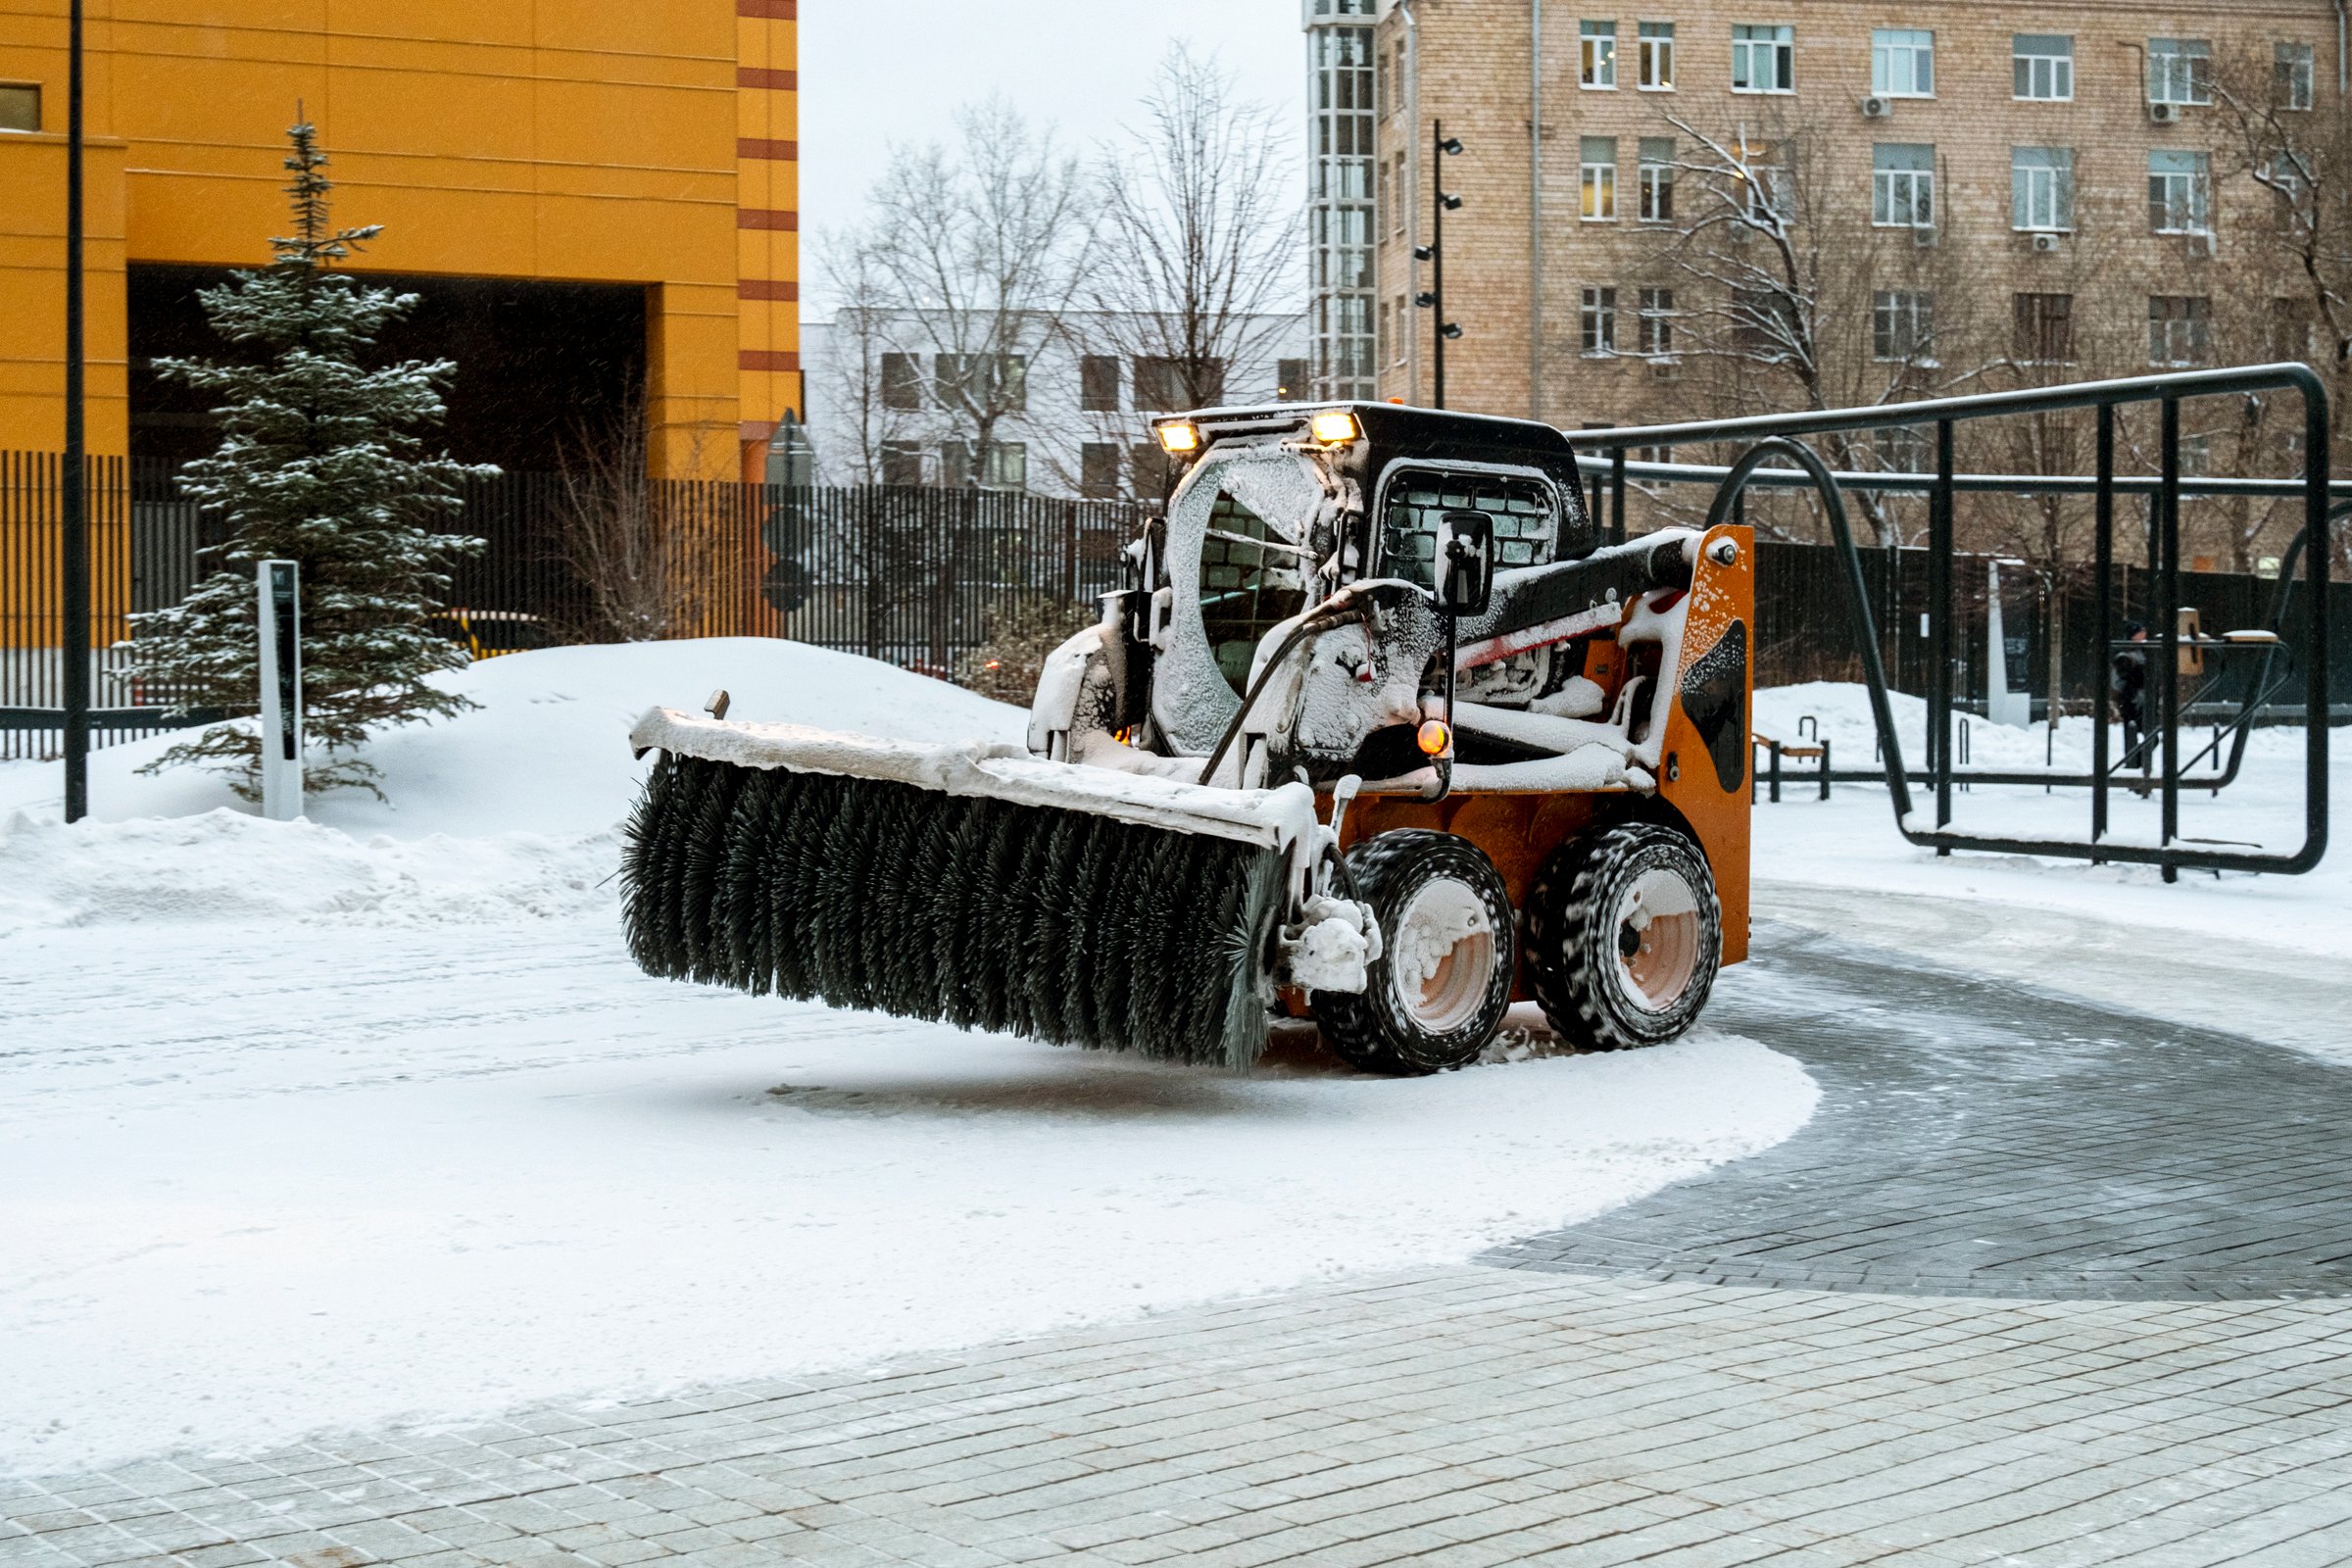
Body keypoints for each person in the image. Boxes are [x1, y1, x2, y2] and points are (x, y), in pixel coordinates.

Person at [2111, 620, 2150, 770]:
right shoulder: (2124, 656)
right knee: (2132, 736)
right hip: (2131, 702)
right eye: (2141, 631)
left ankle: (2134, 763)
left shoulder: (2145, 651)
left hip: (2142, 701)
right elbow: (2126, 679)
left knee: (2151, 738)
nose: (2144, 633)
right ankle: (2132, 764)